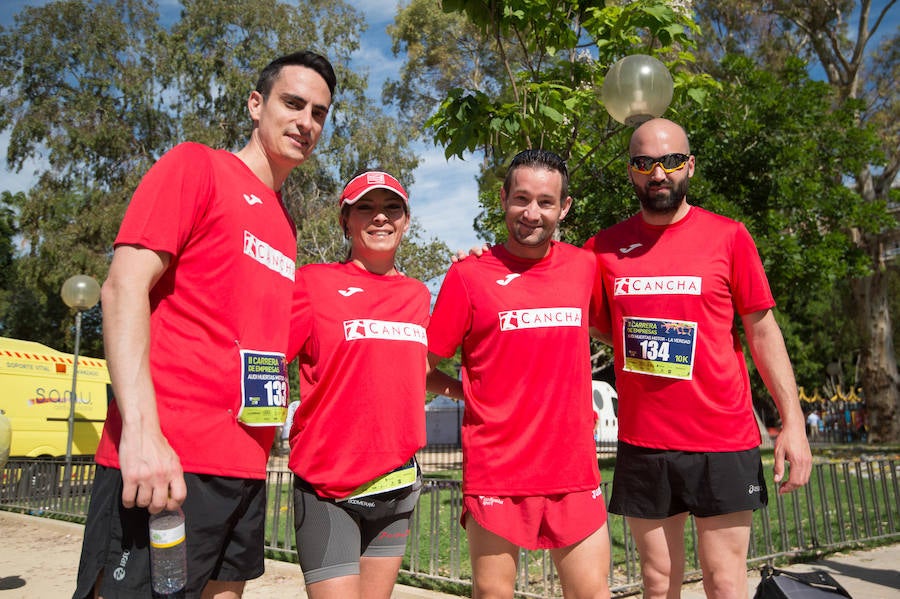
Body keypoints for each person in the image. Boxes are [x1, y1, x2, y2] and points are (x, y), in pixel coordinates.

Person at [74, 51, 337, 599]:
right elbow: (122, 289)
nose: (305, 122)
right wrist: (143, 436)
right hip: (167, 462)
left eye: (319, 112)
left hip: (243, 469)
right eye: (293, 103)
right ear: (255, 104)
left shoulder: (285, 226)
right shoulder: (198, 167)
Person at [583, 118, 812, 599]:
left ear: (689, 165)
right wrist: (491, 263)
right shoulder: (602, 248)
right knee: (657, 581)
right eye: (645, 163)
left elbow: (763, 332)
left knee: (724, 582)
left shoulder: (728, 236)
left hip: (722, 440)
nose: (658, 174)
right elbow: (580, 315)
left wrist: (793, 422)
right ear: (631, 172)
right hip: (645, 443)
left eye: (669, 161)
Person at [427, 149, 611, 599]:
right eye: (521, 198)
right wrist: (464, 391)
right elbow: (421, 367)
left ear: (563, 208)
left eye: (546, 202)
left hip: (573, 468)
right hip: (497, 470)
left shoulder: (585, 267)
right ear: (503, 198)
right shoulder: (468, 275)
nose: (532, 213)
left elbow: (622, 334)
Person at [286, 170, 429, 599]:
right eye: (365, 207)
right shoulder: (311, 283)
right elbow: (268, 360)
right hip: (328, 489)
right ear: (345, 220)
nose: (380, 217)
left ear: (406, 221)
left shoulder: (419, 295)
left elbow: (417, 369)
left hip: (395, 489)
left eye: (391, 208)